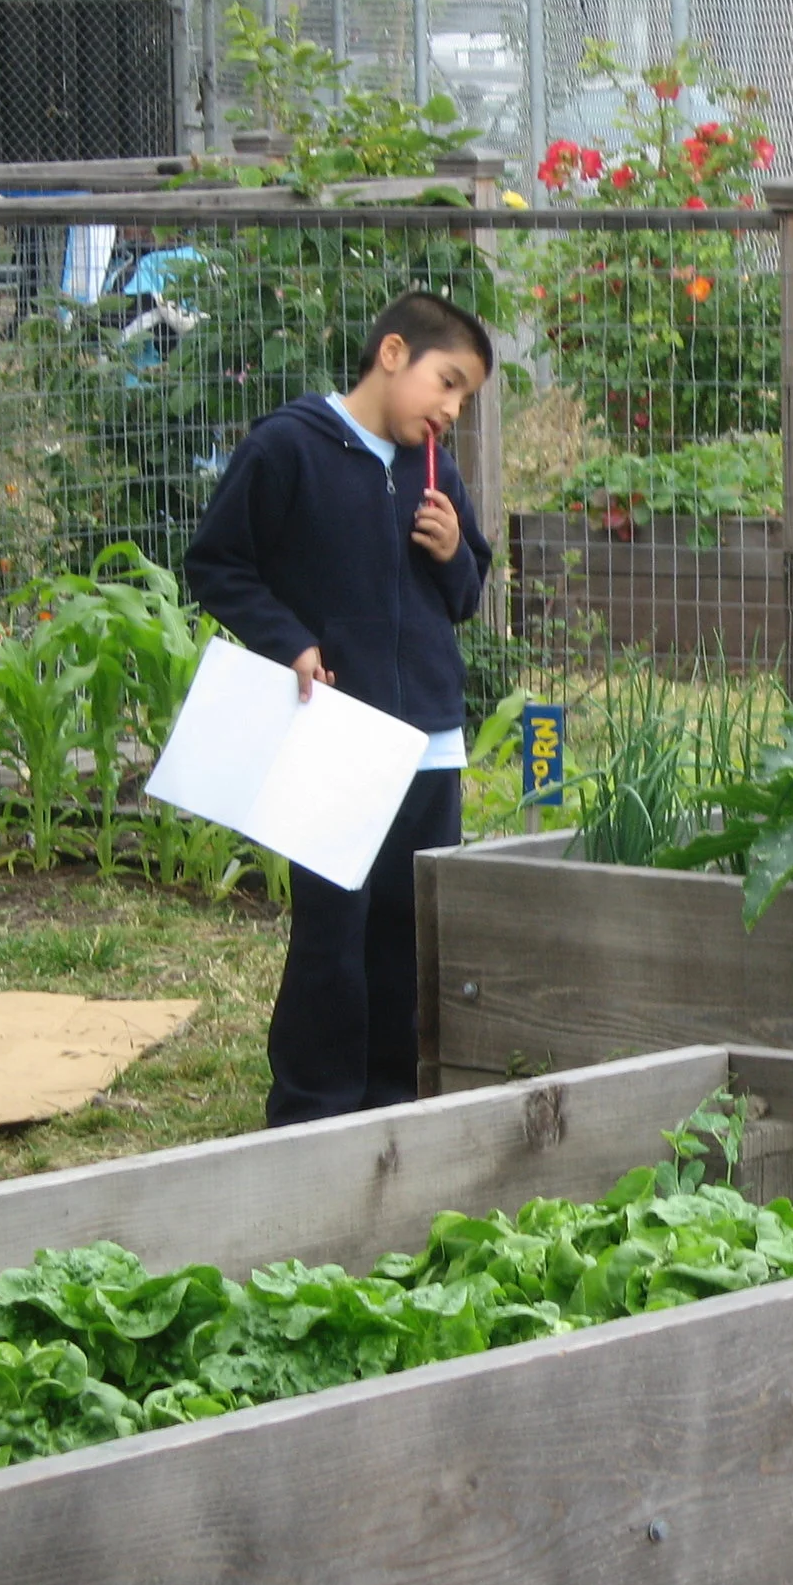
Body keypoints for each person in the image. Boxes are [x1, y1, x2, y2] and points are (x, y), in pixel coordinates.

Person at [185, 290, 495, 1128]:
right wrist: (289, 640)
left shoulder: (437, 471)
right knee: (335, 927)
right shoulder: (290, 447)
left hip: (430, 742)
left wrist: (451, 551)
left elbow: (467, 595)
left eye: (464, 398)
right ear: (392, 354)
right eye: (448, 382)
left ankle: (393, 1104)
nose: (451, 409)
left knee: (407, 927)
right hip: (337, 737)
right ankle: (312, 1109)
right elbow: (217, 564)